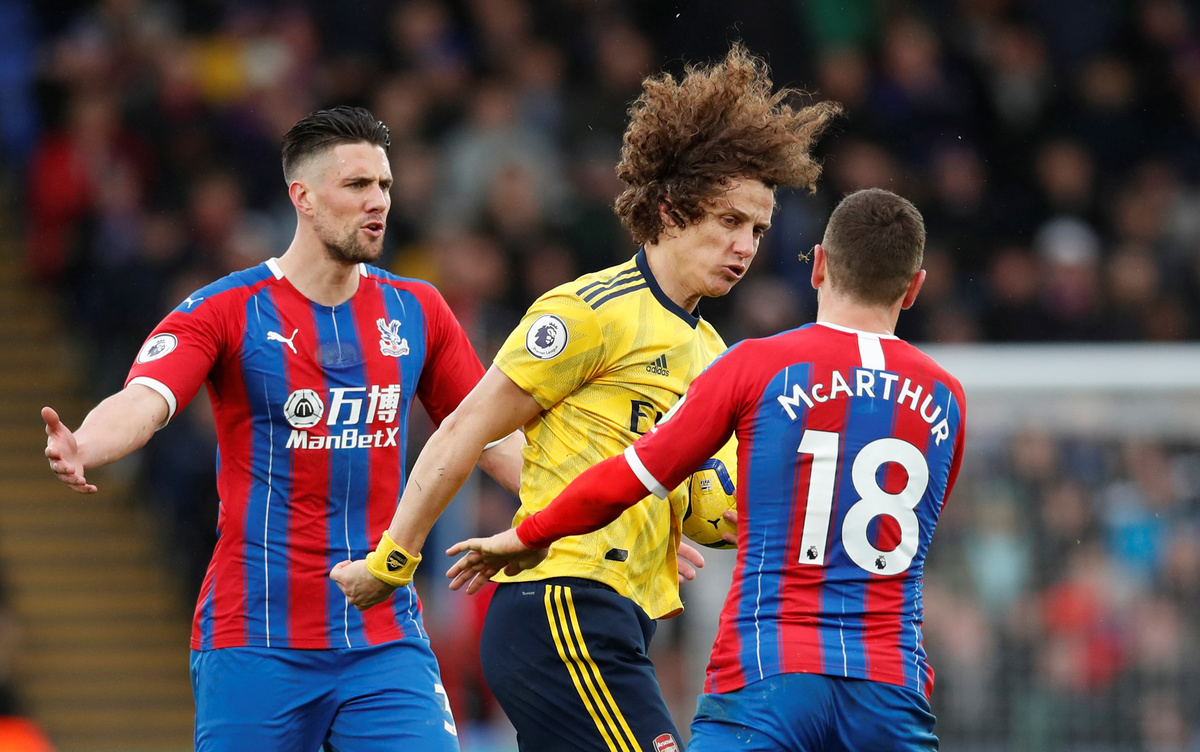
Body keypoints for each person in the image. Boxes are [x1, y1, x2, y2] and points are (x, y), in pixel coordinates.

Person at [331, 44, 840, 752]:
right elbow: (465, 429)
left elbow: (704, 505)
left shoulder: (713, 353)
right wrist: (394, 558)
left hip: (622, 620)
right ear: (669, 210)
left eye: (757, 229)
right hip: (562, 607)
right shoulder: (590, 312)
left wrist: (755, 507)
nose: (745, 246)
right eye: (729, 221)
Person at [41, 106, 523, 752]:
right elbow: (146, 400)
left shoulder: (418, 310)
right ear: (303, 197)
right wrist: (86, 444)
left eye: (384, 185)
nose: (378, 201)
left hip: (383, 640)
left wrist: (600, 504)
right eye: (356, 185)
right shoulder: (226, 309)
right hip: (255, 640)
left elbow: (490, 437)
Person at [448, 188, 967, 752]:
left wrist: (531, 533)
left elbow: (628, 476)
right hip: (890, 685)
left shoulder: (756, 365)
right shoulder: (948, 399)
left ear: (818, 265)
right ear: (914, 288)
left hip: (768, 676)